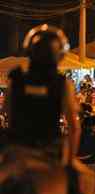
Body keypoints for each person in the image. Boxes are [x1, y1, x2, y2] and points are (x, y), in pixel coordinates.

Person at [5, 24, 81, 162]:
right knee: (86, 179)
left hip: (17, 151)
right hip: (50, 152)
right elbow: (74, 127)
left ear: (30, 50)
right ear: (59, 54)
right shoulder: (63, 83)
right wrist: (71, 162)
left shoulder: (15, 78)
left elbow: (8, 113)